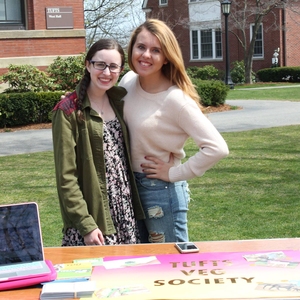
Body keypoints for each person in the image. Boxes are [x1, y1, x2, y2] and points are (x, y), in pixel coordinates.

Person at [118, 19, 229, 243]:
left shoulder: (176, 100)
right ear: (132, 49)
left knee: (170, 262)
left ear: (166, 56)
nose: (145, 55)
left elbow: (217, 148)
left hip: (160, 191)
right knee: (139, 262)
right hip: (127, 186)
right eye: (141, 47)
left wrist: (173, 174)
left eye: (155, 50)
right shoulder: (127, 82)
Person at [52, 39, 145, 247]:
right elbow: (66, 178)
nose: (106, 72)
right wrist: (87, 225)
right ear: (88, 65)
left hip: (124, 210)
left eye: (113, 66)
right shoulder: (68, 111)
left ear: (121, 70)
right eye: (100, 64)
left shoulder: (119, 102)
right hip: (94, 216)